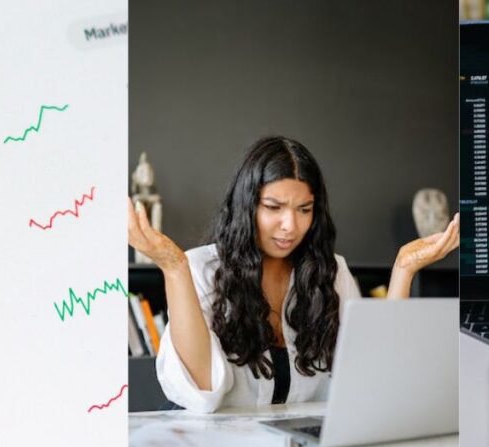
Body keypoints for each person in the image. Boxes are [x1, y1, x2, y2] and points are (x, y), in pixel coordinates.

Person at [127, 136, 458, 412]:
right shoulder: (200, 268)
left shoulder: (332, 272)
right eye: (273, 208)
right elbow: (202, 393)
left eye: (304, 209)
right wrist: (173, 267)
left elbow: (371, 386)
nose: (291, 226)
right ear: (248, 205)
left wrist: (402, 270)